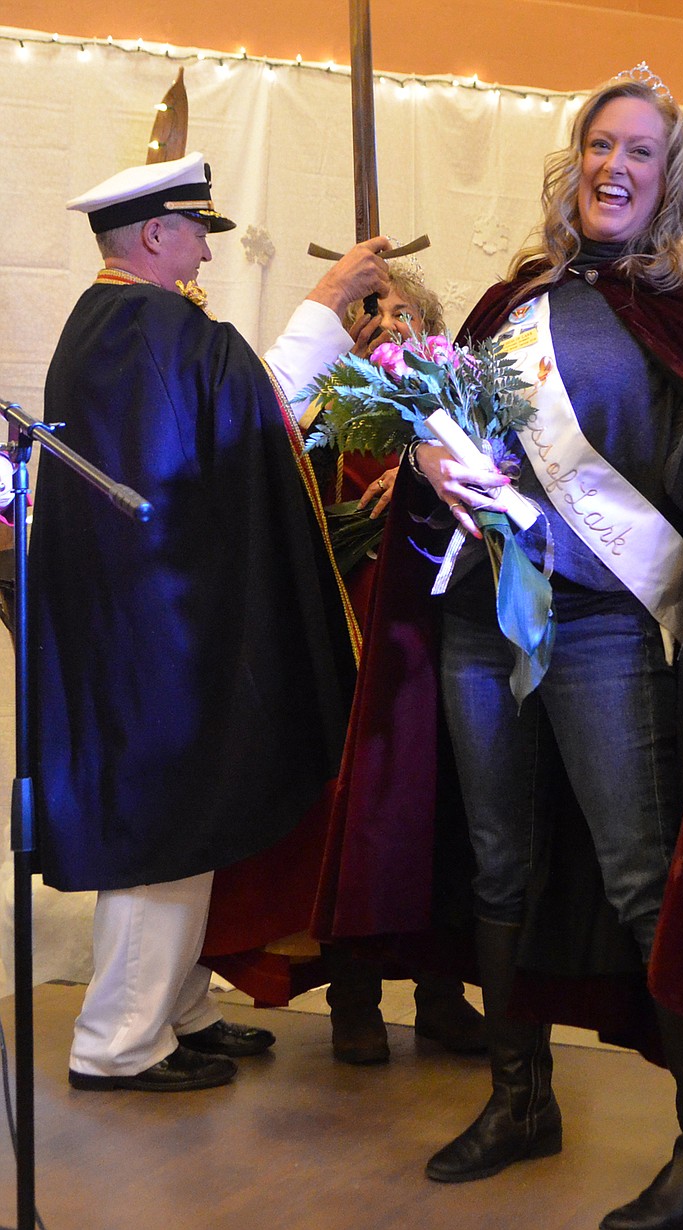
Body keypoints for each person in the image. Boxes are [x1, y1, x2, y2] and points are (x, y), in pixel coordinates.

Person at [317, 69, 683, 1230]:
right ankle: (519, 1099)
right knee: (497, 864)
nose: (616, 165)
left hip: (603, 631)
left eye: (641, 152)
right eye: (601, 144)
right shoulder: (505, 306)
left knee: (646, 879)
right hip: (481, 627)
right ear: (575, 163)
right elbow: (453, 457)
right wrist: (433, 472)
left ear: (665, 180)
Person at [30, 151, 392, 1092]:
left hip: (151, 625)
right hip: (154, 636)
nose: (202, 253)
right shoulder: (139, 323)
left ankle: (176, 1010)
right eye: (194, 233)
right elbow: (246, 419)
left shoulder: (125, 325)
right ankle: (119, 1043)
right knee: (166, 824)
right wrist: (325, 301)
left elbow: (225, 426)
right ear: (154, 234)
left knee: (193, 816)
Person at [308, 268, 488, 1064]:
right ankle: (354, 1000)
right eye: (367, 308)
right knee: (363, 817)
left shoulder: (451, 410)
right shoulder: (323, 413)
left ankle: (443, 997)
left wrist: (420, 464)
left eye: (400, 309)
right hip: (353, 652)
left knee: (443, 812)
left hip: (434, 639)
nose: (383, 321)